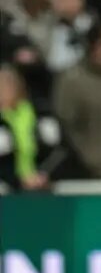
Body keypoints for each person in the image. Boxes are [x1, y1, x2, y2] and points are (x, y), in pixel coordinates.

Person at [52, 17, 101, 179]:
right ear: (98, 43)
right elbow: (66, 126)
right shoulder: (73, 80)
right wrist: (87, 160)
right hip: (89, 173)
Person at [0, 64, 72, 192]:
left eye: (10, 83)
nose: (6, 89)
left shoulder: (41, 114)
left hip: (42, 187)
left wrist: (44, 174)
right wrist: (17, 180)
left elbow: (60, 151)